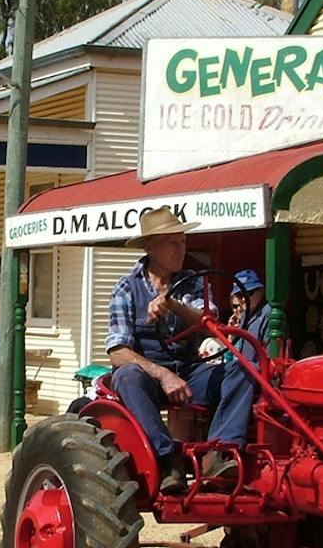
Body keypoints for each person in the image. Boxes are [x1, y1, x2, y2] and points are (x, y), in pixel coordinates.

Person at [104, 208, 258, 492]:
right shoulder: (126, 288)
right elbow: (117, 350)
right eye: (173, 243)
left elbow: (208, 320)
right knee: (126, 375)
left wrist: (173, 304)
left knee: (244, 367)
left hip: (190, 372)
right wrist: (162, 375)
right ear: (150, 247)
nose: (181, 249)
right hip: (148, 378)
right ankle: (168, 457)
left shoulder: (193, 282)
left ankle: (220, 453)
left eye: (183, 241)